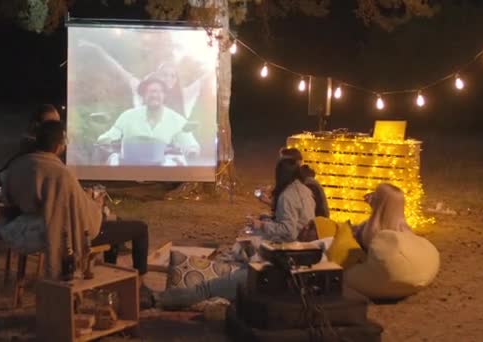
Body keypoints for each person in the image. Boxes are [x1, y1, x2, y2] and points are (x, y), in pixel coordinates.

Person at [3, 122, 152, 297]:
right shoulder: (59, 173)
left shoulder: (20, 164)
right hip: (62, 232)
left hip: (27, 226)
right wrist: (95, 203)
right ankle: (140, 286)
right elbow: (82, 215)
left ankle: (112, 281)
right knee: (140, 228)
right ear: (60, 146)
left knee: (115, 223)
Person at [151, 158, 316, 309]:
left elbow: (288, 230)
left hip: (272, 270)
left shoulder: (287, 197)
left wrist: (262, 225)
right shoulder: (306, 192)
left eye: (308, 228)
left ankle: (156, 299)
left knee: (206, 288)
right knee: (231, 262)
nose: (306, 227)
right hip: (277, 264)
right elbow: (293, 226)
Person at [78, 40, 208, 118]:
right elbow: (120, 70)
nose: (168, 78)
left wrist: (224, 50)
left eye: (172, 75)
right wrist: (98, 50)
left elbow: (205, 79)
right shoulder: (144, 89)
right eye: (165, 74)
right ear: (158, 75)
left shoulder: (183, 94)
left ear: (176, 79)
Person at [96, 75, 200, 162]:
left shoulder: (177, 119)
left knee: (179, 163)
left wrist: (192, 149)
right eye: (150, 91)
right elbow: (113, 133)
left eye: (159, 92)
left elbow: (189, 141)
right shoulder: (127, 116)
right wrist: (104, 139)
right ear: (143, 96)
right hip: (128, 166)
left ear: (164, 95)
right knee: (113, 160)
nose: (154, 95)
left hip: (162, 170)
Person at [351, 183, 413, 250]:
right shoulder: (406, 233)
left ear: (379, 203)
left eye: (375, 194)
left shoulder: (373, 234)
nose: (371, 195)